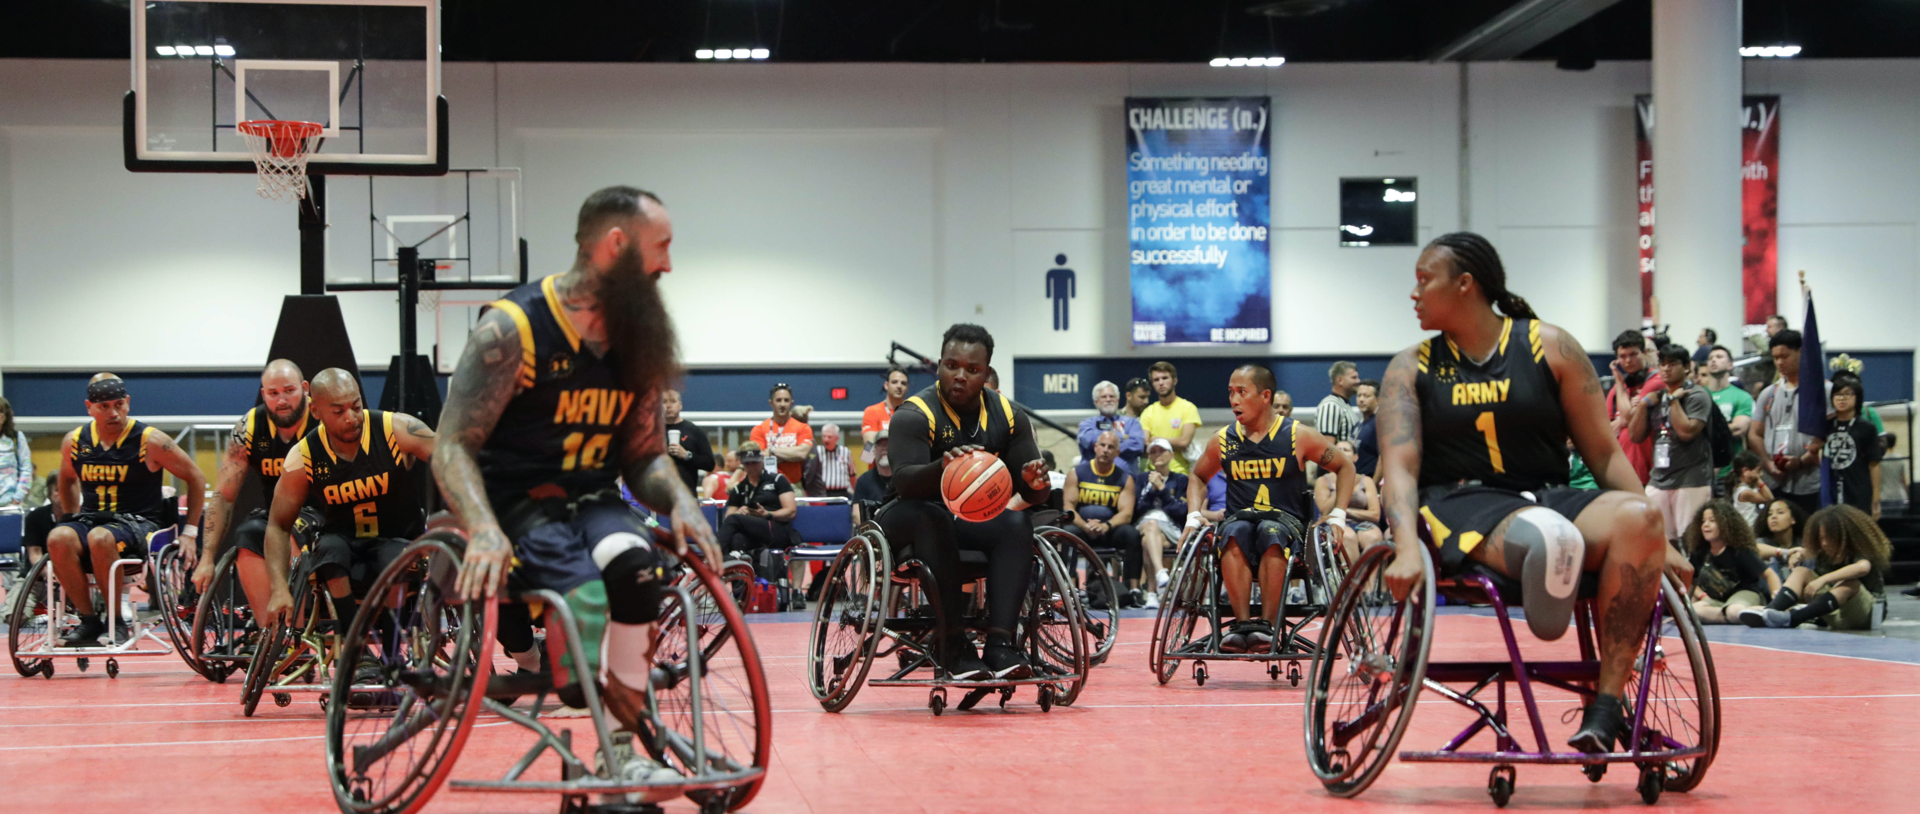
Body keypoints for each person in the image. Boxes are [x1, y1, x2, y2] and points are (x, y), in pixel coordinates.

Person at [1375, 232, 1686, 755]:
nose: (1414, 294)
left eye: (1424, 280)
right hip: (1460, 503)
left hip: (1546, 494)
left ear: (1466, 284)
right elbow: (1400, 472)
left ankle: (1606, 708)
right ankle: (1553, 556)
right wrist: (1406, 546)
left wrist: (1665, 543)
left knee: (1640, 519)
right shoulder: (1410, 368)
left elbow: (1606, 456)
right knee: (1549, 536)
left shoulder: (1551, 346)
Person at [435, 186, 719, 744]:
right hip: (515, 503)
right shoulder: (512, 328)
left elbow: (644, 458)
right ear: (616, 246)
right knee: (585, 593)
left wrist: (680, 499)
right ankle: (577, 688)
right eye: (660, 247)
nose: (667, 263)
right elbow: (451, 447)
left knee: (641, 572)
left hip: (592, 500)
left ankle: (621, 744)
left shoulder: (637, 340)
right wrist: (483, 528)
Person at [881, 323, 1051, 681]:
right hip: (906, 515)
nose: (960, 376)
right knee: (933, 517)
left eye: (972, 370)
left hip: (964, 519)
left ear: (986, 373)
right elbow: (905, 482)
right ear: (939, 366)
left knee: (1017, 523)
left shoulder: (1008, 415)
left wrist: (1036, 485)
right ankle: (953, 645)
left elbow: (1032, 493)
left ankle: (1001, 644)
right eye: (951, 365)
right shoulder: (914, 413)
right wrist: (942, 468)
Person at [258, 370, 438, 689]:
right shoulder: (304, 457)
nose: (351, 417)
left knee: (393, 557)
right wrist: (279, 587)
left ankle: (393, 651)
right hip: (345, 543)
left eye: (355, 405)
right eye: (338, 411)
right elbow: (277, 524)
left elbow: (448, 460)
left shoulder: (395, 429)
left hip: (397, 538)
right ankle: (356, 649)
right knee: (329, 549)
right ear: (316, 411)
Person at [1184, 364, 1353, 653]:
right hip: (1239, 521)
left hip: (1286, 525)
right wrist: (1193, 515)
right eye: (1230, 392)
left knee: (1269, 531)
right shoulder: (1223, 440)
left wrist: (1338, 515)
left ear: (1265, 396)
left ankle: (1268, 624)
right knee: (1234, 531)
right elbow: (1198, 476)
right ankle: (1243, 626)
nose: (1233, 400)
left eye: (1241, 392)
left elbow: (1345, 466)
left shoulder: (1297, 435)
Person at [48, 374, 206, 645]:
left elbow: (196, 477)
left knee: (100, 536)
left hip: (139, 522)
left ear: (128, 403)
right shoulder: (74, 441)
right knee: (58, 538)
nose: (113, 413)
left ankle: (116, 621)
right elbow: (66, 477)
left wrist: (190, 531)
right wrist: (68, 518)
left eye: (119, 404)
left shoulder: (150, 440)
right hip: (92, 518)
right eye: (104, 407)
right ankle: (88, 621)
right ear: (89, 407)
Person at [190, 360, 317, 622]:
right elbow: (224, 495)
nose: (281, 400)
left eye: (289, 390)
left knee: (289, 534)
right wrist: (207, 557)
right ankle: (268, 634)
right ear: (263, 395)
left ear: (305, 389)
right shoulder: (249, 427)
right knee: (247, 535)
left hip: (322, 513)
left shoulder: (322, 419)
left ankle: (295, 632)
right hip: (277, 515)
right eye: (273, 393)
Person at [1740, 505, 1888, 630]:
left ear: (1843, 536)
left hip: (1867, 616)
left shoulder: (1858, 551)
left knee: (1850, 584)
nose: (1823, 543)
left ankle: (1793, 618)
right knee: (1802, 572)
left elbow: (1863, 568)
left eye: (1828, 538)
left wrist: (1823, 579)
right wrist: (1795, 556)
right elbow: (1810, 589)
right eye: (1821, 538)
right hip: (1836, 613)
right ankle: (1770, 612)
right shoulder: (1823, 556)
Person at [1630, 344, 1716, 544]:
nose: (1666, 369)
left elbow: (1686, 432)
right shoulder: (1656, 397)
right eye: (1663, 364)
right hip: (1659, 479)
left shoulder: (1697, 394)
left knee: (1691, 541)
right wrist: (1643, 404)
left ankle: (1695, 576)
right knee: (1659, 541)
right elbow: (1635, 436)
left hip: (1691, 480)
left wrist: (1674, 401)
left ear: (1687, 367)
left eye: (1673, 363)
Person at [1063, 430, 1143, 609]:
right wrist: (1085, 526)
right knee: (1067, 533)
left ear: (1117, 453)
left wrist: (1106, 525)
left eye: (1111, 447)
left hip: (1109, 530)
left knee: (1132, 534)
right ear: (1095, 447)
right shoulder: (1077, 473)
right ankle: (1069, 588)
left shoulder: (1124, 478)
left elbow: (1126, 513)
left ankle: (1134, 588)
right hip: (1082, 529)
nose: (1106, 450)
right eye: (1103, 446)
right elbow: (1068, 508)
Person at [1750, 330, 1824, 517]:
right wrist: (1769, 464)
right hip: (1775, 480)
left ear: (1801, 352)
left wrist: (1801, 461)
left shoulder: (1821, 391)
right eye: (1775, 358)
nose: (1779, 363)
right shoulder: (1768, 394)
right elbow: (1755, 433)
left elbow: (1826, 434)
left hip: (1811, 481)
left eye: (1784, 356)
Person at [1684, 500, 1776, 624]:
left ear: (1725, 524)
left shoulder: (1739, 551)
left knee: (1733, 610)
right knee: (1692, 610)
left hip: (1745, 595)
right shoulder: (1699, 552)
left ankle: (1771, 612)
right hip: (1719, 602)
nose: (1706, 525)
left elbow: (1769, 574)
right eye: (1703, 521)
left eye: (1712, 521)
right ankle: (1734, 616)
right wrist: (1684, 606)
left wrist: (1778, 600)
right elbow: (1692, 582)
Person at [720, 441, 798, 579]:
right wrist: (739, 512)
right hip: (752, 533)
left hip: (775, 528)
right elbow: (729, 516)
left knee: (734, 520)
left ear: (761, 461)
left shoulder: (777, 480)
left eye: (755, 463)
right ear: (742, 465)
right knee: (737, 540)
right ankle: (742, 592)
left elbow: (791, 511)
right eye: (748, 463)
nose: (752, 467)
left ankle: (713, 555)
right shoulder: (739, 488)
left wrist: (767, 514)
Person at [1132, 438, 1188, 599]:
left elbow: (1181, 511)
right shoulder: (1141, 479)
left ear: (1171, 455)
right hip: (1145, 523)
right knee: (1151, 524)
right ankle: (1160, 574)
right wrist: (1151, 490)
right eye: (1153, 452)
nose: (1157, 454)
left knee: (1147, 543)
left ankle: (1151, 593)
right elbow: (1136, 509)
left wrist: (1162, 489)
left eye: (1161, 451)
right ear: (1149, 457)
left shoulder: (1181, 480)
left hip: (1170, 527)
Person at [1607, 329, 1664, 485]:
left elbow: (1626, 419)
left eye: (1633, 354)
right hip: (1622, 467)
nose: (1628, 361)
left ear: (1644, 353)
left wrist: (1619, 383)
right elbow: (1606, 428)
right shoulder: (1618, 389)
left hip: (1648, 465)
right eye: (1622, 356)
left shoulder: (1656, 381)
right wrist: (1620, 385)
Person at [1822, 373, 1882, 519]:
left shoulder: (1866, 428)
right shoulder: (1825, 426)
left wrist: (1876, 499)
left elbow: (1874, 464)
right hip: (1831, 493)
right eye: (1837, 394)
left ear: (1857, 397)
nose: (1842, 398)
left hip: (1859, 491)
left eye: (1847, 394)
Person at [1314, 439, 1383, 552]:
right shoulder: (1323, 481)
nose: (1341, 452)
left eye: (1345, 450)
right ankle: (1351, 570)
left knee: (1373, 537)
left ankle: (1369, 570)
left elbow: (1375, 515)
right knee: (1347, 537)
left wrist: (1346, 511)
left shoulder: (1366, 481)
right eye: (1337, 450)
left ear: (1355, 457)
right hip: (1334, 524)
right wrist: (1342, 485)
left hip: (1364, 524)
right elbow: (1325, 512)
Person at [1702, 345, 1754, 491]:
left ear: (1730, 365)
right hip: (1702, 471)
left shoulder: (1742, 396)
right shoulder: (1699, 395)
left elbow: (1738, 429)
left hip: (1730, 472)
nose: (1713, 361)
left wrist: (1703, 432)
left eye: (1719, 357)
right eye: (1711, 358)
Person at [1141, 361, 1202, 476]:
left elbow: (1184, 442)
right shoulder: (1148, 412)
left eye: (1165, 378)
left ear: (1174, 380)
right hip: (1153, 473)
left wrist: (1156, 439)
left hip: (1180, 474)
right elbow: (1145, 443)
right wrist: (1174, 442)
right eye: (1156, 380)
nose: (1161, 383)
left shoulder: (1188, 408)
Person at [1077, 380, 1147, 473]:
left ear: (1117, 400)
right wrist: (1121, 437)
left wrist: (1102, 447)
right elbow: (1088, 439)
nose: (1108, 399)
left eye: (1112, 396)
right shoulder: (1087, 423)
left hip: (1124, 481)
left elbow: (1137, 445)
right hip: (1092, 479)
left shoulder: (1132, 423)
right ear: (1096, 402)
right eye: (1104, 397)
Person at [751, 384, 814, 485]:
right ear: (771, 403)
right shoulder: (759, 429)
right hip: (766, 484)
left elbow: (801, 454)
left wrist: (772, 450)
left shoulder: (803, 428)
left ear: (791, 403)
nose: (782, 404)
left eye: (786, 400)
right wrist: (790, 456)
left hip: (793, 485)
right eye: (778, 400)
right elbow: (758, 458)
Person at [661, 388, 715, 495]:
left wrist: (686, 455)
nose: (668, 406)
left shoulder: (694, 431)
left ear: (680, 405)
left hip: (686, 497)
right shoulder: (652, 432)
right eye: (664, 402)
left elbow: (709, 464)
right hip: (658, 497)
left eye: (673, 401)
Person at [861, 367, 911, 467]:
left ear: (907, 388)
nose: (899, 386)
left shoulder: (913, 413)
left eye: (903, 383)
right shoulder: (872, 411)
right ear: (886, 385)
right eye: (895, 382)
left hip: (903, 473)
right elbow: (868, 452)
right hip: (878, 475)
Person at [803, 423, 857, 498]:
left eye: (829, 437)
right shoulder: (816, 452)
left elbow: (852, 474)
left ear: (837, 438)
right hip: (821, 493)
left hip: (842, 493)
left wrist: (857, 492)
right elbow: (808, 470)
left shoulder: (845, 452)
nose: (826, 439)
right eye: (824, 436)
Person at [1315, 361, 1363, 445]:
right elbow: (1327, 447)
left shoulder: (1344, 405)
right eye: (1354, 377)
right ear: (1340, 380)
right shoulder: (1330, 405)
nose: (1358, 381)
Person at [851, 431, 892, 524]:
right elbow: (856, 515)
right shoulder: (863, 481)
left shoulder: (902, 479)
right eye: (880, 445)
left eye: (888, 444)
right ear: (873, 450)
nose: (884, 448)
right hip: (873, 533)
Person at [1727, 450, 1773, 527]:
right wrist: (1758, 480)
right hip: (1750, 530)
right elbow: (1770, 499)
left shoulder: (1744, 487)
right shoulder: (1745, 492)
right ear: (1745, 471)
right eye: (1758, 471)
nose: (1761, 474)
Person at [0, 397, 29, 513]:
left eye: (1, 411)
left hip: (10, 505)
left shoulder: (16, 438)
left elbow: (26, 470)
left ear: (6, 416)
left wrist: (17, 498)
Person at [1352, 379, 1382, 479]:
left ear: (1378, 399)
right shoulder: (1357, 425)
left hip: (1369, 481)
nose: (1361, 399)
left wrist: (1373, 485)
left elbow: (1383, 458)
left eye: (1366, 396)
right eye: (1359, 395)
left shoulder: (1379, 424)